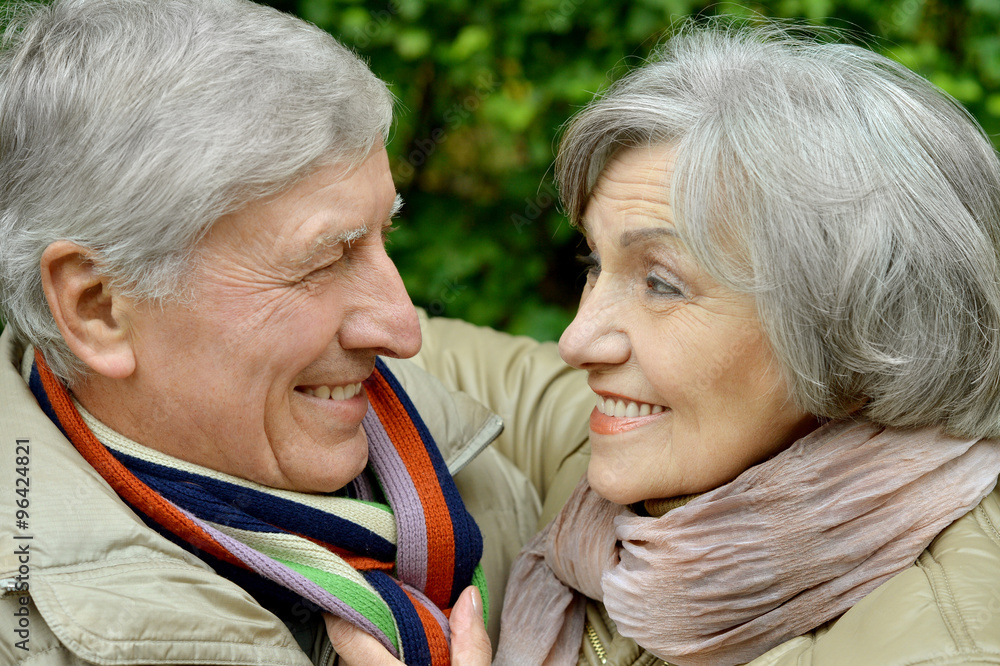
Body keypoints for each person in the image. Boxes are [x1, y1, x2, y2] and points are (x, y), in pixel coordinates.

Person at [416, 21, 1000, 665]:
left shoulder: (940, 650)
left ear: (861, 330)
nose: (576, 341)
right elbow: (407, 345)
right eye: (593, 261)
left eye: (661, 283)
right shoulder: (633, 457)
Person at [0, 1, 564, 664]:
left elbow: (595, 404)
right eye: (325, 260)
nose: (402, 330)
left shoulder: (390, 399)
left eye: (385, 236)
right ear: (98, 307)